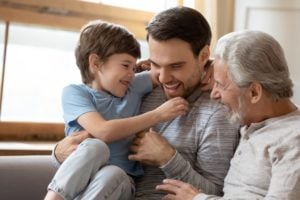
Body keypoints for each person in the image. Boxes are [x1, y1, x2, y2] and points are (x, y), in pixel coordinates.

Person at [52, 7, 240, 199]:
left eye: (176, 66)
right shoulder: (138, 89)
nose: (164, 78)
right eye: (156, 64)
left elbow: (217, 194)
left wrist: (168, 158)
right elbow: (100, 108)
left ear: (202, 56)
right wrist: (59, 153)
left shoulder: (217, 114)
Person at [44, 20, 189, 200]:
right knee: (95, 146)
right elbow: (103, 131)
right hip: (78, 188)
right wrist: (158, 114)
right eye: (125, 65)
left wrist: (210, 66)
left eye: (134, 66)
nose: (132, 73)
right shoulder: (75, 93)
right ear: (96, 63)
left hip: (117, 186)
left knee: (114, 173)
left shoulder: (133, 86)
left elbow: (176, 67)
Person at [156, 30, 300, 200]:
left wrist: (198, 199)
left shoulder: (293, 141)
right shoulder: (254, 116)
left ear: (254, 92)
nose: (213, 94)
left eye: (220, 85)